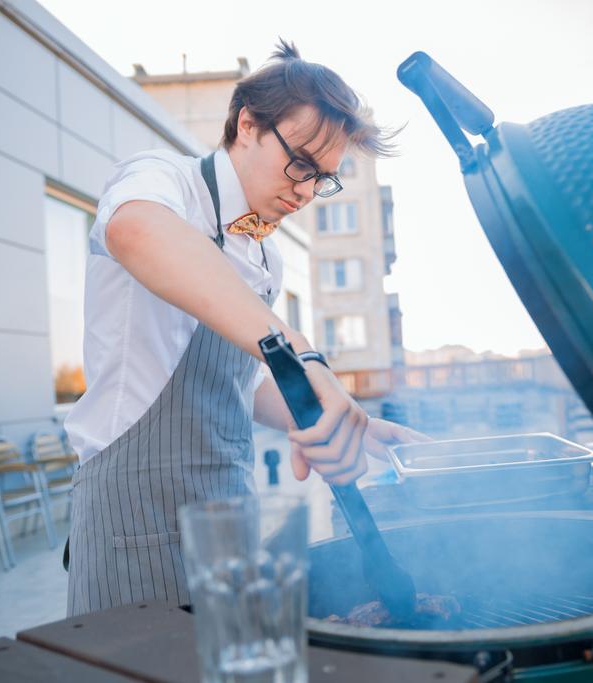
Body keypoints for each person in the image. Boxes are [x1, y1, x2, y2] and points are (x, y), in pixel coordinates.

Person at [63, 40, 423, 617]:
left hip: (228, 505)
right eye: (301, 164)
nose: (307, 191)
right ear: (248, 124)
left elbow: (247, 384)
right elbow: (135, 230)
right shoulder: (164, 179)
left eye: (323, 179)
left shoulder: (263, 257)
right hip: (135, 509)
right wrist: (301, 353)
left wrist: (337, 418)